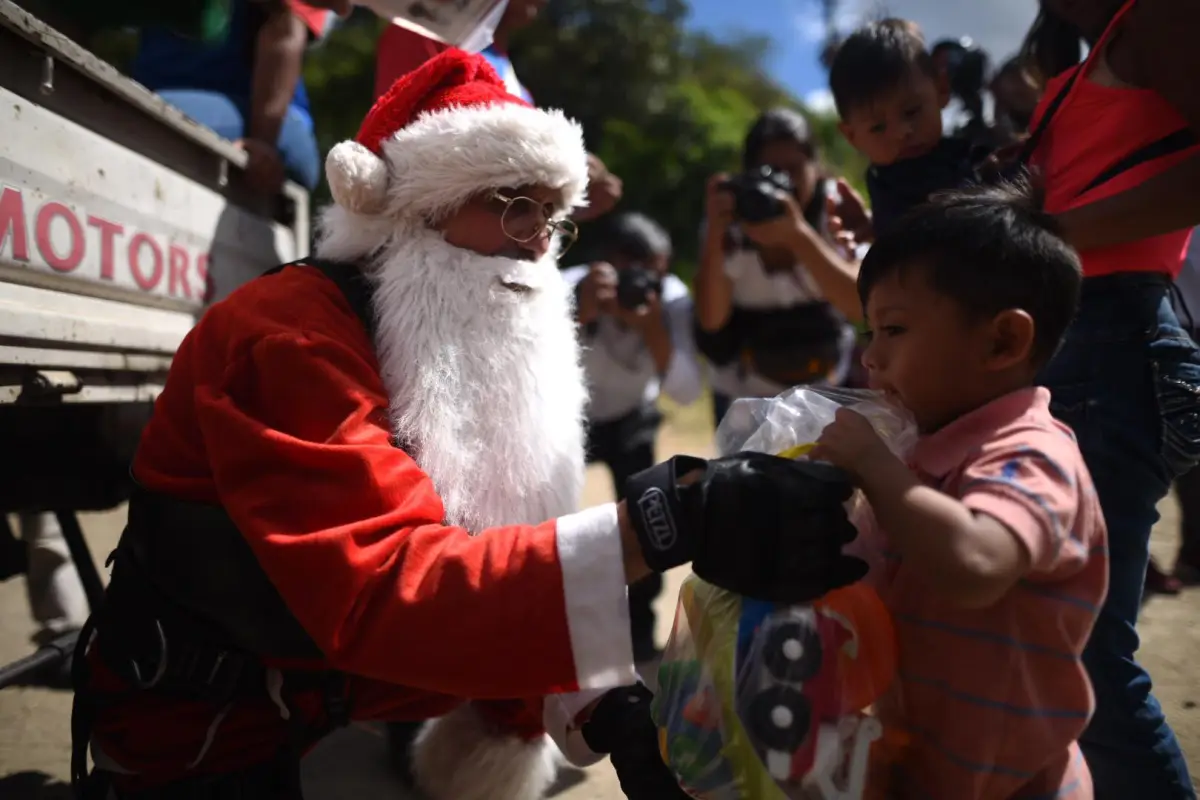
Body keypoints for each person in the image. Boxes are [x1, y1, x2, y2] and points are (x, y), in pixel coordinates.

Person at [70, 49, 866, 800]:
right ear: (412, 206)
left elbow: (505, 547)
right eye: (515, 206)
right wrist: (659, 525)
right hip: (201, 722)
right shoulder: (286, 332)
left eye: (555, 217)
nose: (537, 249)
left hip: (315, 696)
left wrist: (602, 707)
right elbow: (386, 584)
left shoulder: (447, 325)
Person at [814, 181, 1106, 799]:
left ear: (1002, 341)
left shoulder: (1031, 454)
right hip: (921, 769)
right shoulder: (923, 451)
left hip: (1017, 787)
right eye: (870, 333)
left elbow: (975, 564)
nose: (871, 359)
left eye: (893, 330)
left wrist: (873, 465)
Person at [1019, 1, 1200, 797]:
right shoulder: (1081, 65)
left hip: (1120, 350)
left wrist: (1049, 230)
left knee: (1088, 660)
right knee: (1060, 650)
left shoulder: (1162, 14)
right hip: (1085, 355)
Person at [563, 213, 704, 663]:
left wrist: (651, 328)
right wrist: (576, 314)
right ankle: (560, 627)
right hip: (571, 419)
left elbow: (684, 391)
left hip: (631, 417)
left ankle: (641, 634)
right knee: (552, 518)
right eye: (625, 271)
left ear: (663, 267)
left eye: (646, 271)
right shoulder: (570, 285)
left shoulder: (671, 299)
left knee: (649, 517)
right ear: (601, 266)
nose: (634, 284)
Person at [373, 0, 622, 223]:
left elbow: (504, 198)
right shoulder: (418, 33)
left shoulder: (521, 90)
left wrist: (565, 195)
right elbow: (398, 147)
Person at [694, 108, 863, 429]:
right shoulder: (729, 221)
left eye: (795, 169)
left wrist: (800, 237)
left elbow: (859, 305)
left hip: (824, 391)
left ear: (817, 168)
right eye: (770, 171)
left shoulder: (836, 209)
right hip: (745, 398)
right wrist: (716, 232)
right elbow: (711, 319)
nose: (782, 182)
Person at [130, 0, 332, 193]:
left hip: (270, 122)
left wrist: (263, 142)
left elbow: (285, 31)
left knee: (136, 116)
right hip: (159, 99)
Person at [829, 19, 995, 238]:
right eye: (878, 127)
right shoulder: (885, 186)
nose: (901, 133)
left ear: (941, 91)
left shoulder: (974, 157)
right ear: (852, 136)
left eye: (912, 112)